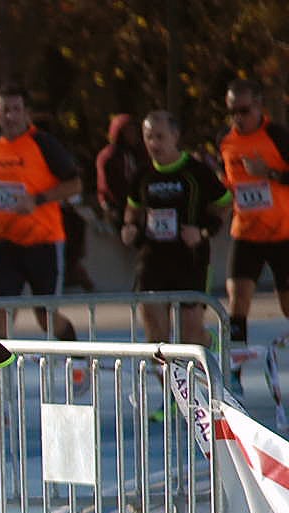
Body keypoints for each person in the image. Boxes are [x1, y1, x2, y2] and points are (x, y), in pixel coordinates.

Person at [0, 84, 81, 376]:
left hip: (43, 241)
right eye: (5, 110)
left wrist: (36, 200)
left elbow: (74, 185)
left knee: (45, 316)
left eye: (16, 109)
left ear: (27, 113)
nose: (10, 116)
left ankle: (78, 359)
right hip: (4, 241)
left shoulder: (43, 143)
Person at [120, 110, 230, 350]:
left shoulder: (196, 172)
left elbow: (224, 205)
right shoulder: (142, 174)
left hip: (190, 259)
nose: (154, 144)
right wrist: (129, 227)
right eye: (148, 137)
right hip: (152, 259)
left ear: (175, 136)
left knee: (190, 336)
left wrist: (202, 231)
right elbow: (132, 209)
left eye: (160, 137)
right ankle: (169, 377)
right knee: (156, 339)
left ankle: (213, 345)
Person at [219, 78, 289, 388]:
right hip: (246, 233)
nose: (238, 117)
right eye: (232, 111)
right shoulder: (225, 141)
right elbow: (228, 184)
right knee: (237, 301)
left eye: (244, 110)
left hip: (283, 233)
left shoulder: (277, 136)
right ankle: (234, 376)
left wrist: (269, 173)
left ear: (259, 105)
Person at [95, 113, 144, 232]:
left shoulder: (138, 153)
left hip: (137, 205)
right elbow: (106, 186)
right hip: (117, 208)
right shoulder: (108, 156)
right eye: (128, 131)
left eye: (134, 131)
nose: (133, 135)